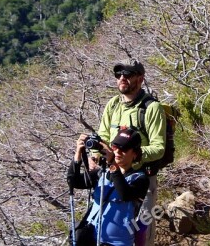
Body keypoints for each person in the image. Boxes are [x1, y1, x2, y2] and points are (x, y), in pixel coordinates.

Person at [97, 61, 166, 246]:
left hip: (141, 181)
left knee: (140, 233)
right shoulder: (113, 104)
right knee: (111, 231)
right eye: (119, 75)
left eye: (127, 75)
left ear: (140, 78)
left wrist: (130, 154)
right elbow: (103, 135)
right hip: (112, 178)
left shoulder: (152, 108)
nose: (122, 78)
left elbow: (158, 148)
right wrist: (96, 152)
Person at [67, 127, 149, 246]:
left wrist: (112, 164)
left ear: (135, 154)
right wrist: (78, 154)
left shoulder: (140, 179)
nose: (118, 152)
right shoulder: (101, 174)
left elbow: (125, 194)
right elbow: (73, 181)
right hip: (90, 239)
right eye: (115, 147)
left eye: (124, 149)